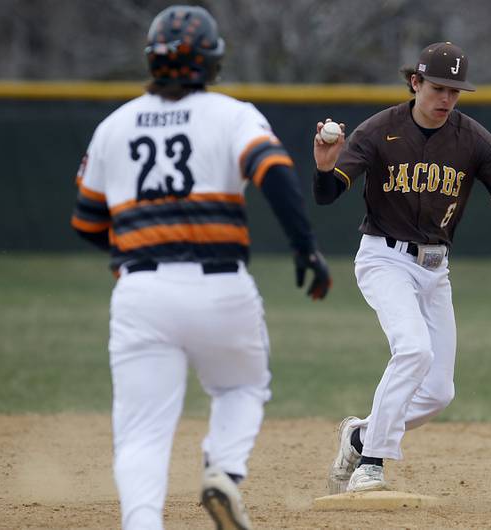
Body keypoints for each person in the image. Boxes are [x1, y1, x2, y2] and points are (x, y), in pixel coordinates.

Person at [70, 5, 331, 529]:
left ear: (151, 59)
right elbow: (274, 171)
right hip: (220, 286)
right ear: (212, 61)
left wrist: (133, 257)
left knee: (142, 429)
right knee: (242, 387)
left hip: (141, 290)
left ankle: (142, 523)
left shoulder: (113, 126)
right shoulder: (231, 114)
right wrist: (305, 246)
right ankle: (224, 473)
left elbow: (87, 222)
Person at [314, 42, 491, 494]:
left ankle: (358, 437)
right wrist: (324, 168)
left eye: (455, 90)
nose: (446, 98)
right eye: (438, 87)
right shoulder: (379, 130)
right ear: (415, 83)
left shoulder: (473, 138)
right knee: (413, 350)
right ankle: (371, 464)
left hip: (435, 268)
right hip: (384, 257)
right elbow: (327, 194)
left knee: (438, 392)